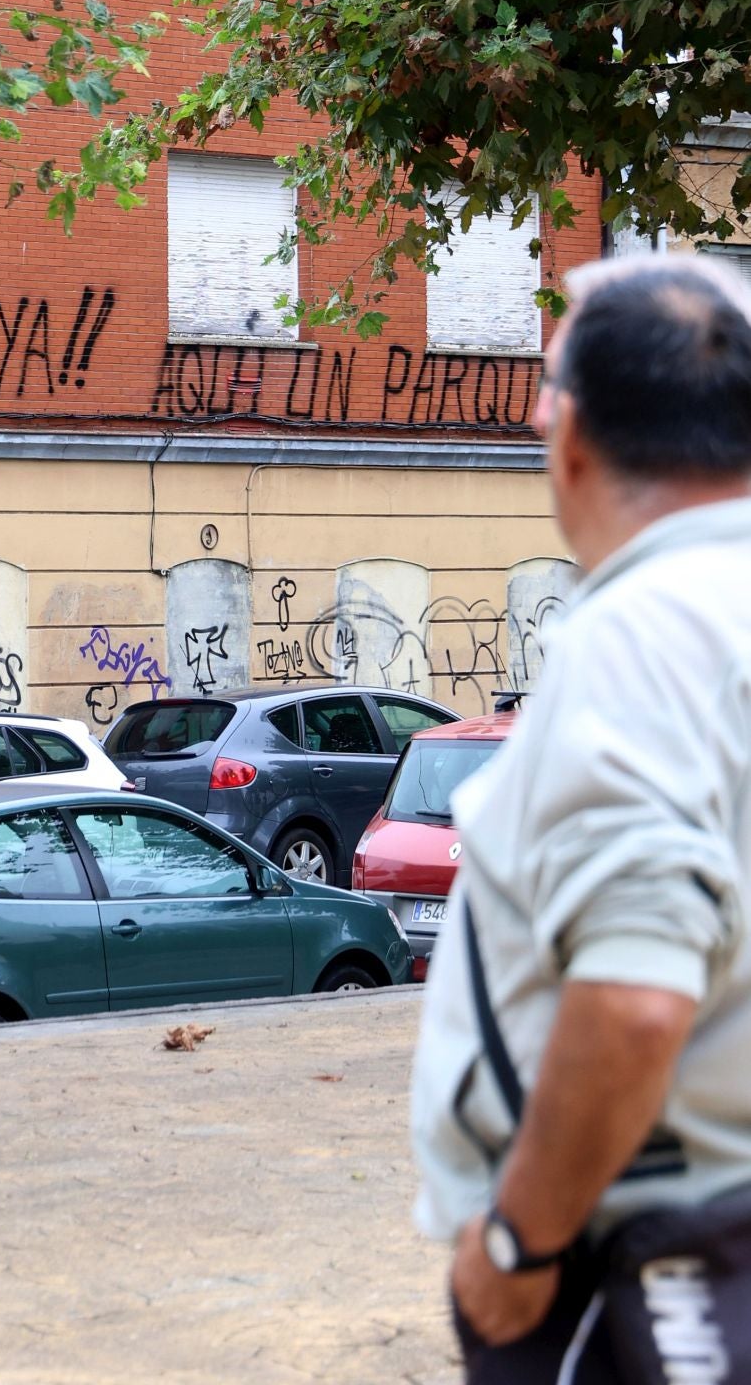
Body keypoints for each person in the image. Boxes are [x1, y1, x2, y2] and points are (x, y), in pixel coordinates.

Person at [411, 252, 751, 1381]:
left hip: (648, 1265)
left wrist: (517, 1240)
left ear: (570, 438)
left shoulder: (640, 637)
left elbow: (638, 1001)